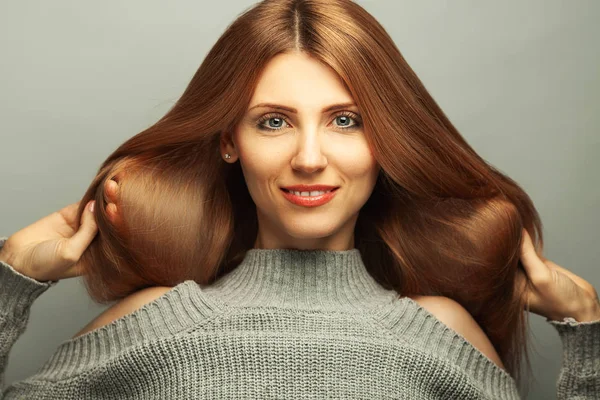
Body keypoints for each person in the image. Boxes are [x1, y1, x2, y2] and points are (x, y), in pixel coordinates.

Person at [1, 0, 599, 399]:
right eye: (273, 122)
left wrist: (586, 328)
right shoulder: (156, 324)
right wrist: (10, 282)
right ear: (230, 141)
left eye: (345, 121)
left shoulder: (439, 333)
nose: (310, 157)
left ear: (385, 140)